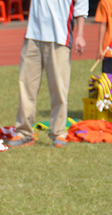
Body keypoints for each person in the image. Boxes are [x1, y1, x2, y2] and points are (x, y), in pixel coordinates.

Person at [9, 0, 88, 148]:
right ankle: (24, 132)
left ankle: (58, 133)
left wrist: (80, 35)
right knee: (26, 87)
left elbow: (81, 6)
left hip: (59, 38)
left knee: (59, 88)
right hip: (33, 36)